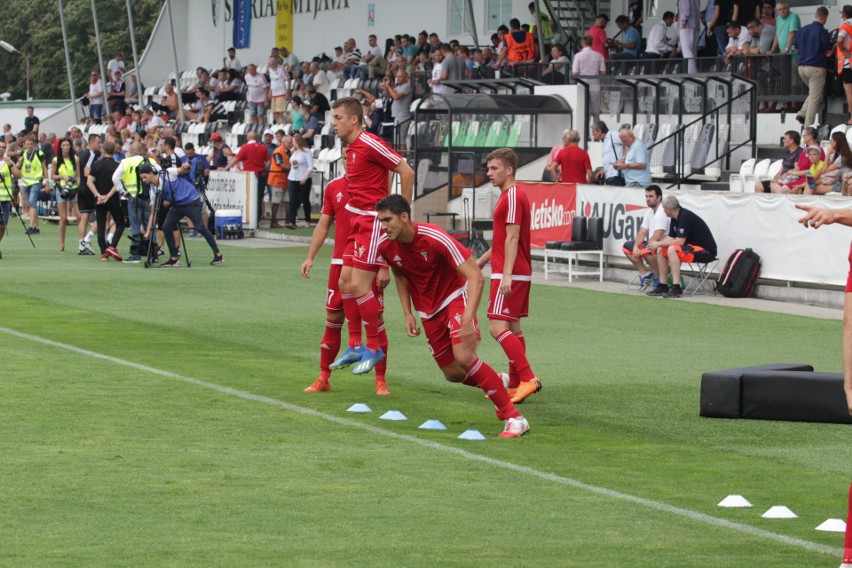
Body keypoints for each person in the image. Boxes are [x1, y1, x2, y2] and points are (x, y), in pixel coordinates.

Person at [376, 194, 530, 437]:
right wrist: (407, 313)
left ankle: (514, 418)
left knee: (464, 356)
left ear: (404, 217)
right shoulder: (386, 246)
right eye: (380, 221)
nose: (383, 226)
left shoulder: (434, 237)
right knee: (453, 374)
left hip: (455, 296)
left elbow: (475, 276)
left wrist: (467, 318)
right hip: (428, 309)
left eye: (387, 220)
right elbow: (401, 275)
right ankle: (496, 382)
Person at [329, 97, 414, 376]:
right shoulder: (351, 149)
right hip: (356, 219)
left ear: (354, 119)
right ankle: (355, 343)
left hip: (372, 221)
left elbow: (406, 170)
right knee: (345, 282)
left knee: (362, 286)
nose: (333, 124)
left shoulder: (371, 143)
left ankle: (374, 347)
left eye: (338, 118)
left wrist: (402, 216)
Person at [301, 146, 391, 396]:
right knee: (332, 320)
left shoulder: (375, 190)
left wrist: (384, 265)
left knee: (377, 320)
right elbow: (323, 225)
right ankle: (323, 378)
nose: (349, 164)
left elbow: (385, 229)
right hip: (340, 262)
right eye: (345, 159)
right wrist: (310, 256)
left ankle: (380, 381)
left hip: (368, 263)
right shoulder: (333, 188)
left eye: (352, 159)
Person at [475, 148, 543, 404]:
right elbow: (503, 240)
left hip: (511, 273)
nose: (489, 173)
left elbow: (513, 237)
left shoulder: (513, 196)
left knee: (496, 326)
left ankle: (528, 378)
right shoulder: (508, 195)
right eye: (488, 169)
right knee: (513, 327)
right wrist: (481, 262)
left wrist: (505, 275)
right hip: (512, 271)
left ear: (509, 169)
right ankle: (515, 383)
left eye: (494, 168)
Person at [137, 162, 223, 267]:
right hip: (177, 205)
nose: (144, 180)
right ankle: (174, 258)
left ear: (151, 173)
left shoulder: (168, 173)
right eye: (142, 179)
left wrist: (187, 165)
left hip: (191, 201)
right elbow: (153, 211)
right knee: (166, 227)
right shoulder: (153, 190)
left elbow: (185, 170)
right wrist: (147, 232)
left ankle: (218, 255)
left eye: (145, 177)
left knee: (200, 227)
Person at [646, 196, 717, 298]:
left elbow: (680, 242)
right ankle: (663, 285)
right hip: (691, 248)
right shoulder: (674, 217)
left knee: (672, 249)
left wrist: (658, 243)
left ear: (669, 210)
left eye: (663, 208)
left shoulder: (685, 216)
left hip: (705, 251)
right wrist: (656, 245)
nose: (663, 210)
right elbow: (670, 239)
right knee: (661, 249)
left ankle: (676, 287)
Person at [622, 185, 670, 289]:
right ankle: (645, 274)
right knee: (627, 247)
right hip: (654, 245)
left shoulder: (662, 211)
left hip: (664, 246)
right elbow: (642, 232)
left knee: (646, 250)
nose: (648, 199)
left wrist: (644, 247)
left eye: (651, 196)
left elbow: (659, 234)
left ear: (659, 198)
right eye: (646, 196)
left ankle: (658, 276)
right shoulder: (649, 212)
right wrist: (636, 246)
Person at [112, 142, 153, 262]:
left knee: (135, 226)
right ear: (141, 150)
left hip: (133, 197)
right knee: (149, 225)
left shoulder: (125, 162)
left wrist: (123, 190)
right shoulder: (149, 161)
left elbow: (115, 178)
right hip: (148, 197)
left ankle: (136, 254)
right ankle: (153, 253)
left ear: (131, 151)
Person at [86, 141, 125, 262]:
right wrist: (107, 196)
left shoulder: (97, 164)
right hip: (112, 198)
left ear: (103, 150)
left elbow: (89, 181)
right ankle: (112, 245)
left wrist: (98, 195)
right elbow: (117, 183)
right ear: (114, 151)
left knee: (100, 225)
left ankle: (103, 252)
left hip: (99, 199)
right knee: (120, 223)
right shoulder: (117, 165)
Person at [793, 6, 831, 127]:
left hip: (801, 68)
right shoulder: (822, 31)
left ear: (816, 15)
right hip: (816, 68)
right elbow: (828, 52)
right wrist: (834, 47)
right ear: (825, 18)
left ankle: (802, 113)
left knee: (814, 93)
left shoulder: (803, 30)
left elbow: (795, 47)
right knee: (815, 98)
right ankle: (807, 127)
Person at [225, 131, 270, 224]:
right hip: (261, 175)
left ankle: (250, 218)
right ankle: (257, 218)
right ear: (256, 138)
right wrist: (263, 168)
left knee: (249, 197)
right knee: (259, 197)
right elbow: (269, 160)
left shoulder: (245, 147)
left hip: (249, 175)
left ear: (247, 138)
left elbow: (236, 159)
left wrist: (226, 168)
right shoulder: (262, 147)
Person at [75, 133, 102, 255]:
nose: (100, 145)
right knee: (102, 214)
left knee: (84, 217)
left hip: (80, 187)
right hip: (87, 187)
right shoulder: (91, 154)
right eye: (98, 142)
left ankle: (81, 245)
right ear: (91, 143)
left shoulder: (81, 154)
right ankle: (87, 240)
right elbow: (87, 173)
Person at [51, 138, 78, 252]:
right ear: (60, 147)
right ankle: (62, 244)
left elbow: (78, 175)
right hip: (61, 189)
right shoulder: (56, 160)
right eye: (64, 145)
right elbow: (52, 175)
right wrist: (62, 176)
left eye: (68, 145)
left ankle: (83, 242)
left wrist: (78, 184)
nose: (66, 147)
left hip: (73, 188)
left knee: (79, 216)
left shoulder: (75, 159)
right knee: (63, 218)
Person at [17, 136, 46, 235]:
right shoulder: (22, 153)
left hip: (36, 181)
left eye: (31, 144)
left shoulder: (39, 153)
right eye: (27, 144)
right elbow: (17, 167)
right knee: (31, 203)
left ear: (34, 144)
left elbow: (44, 168)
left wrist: (46, 181)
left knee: (32, 202)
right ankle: (36, 226)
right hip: (26, 182)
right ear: (24, 144)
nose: (29, 146)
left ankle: (31, 226)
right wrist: (20, 161)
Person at [571, 36, 605, 117]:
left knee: (583, 108)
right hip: (595, 84)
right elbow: (603, 72)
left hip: (582, 84)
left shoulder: (578, 56)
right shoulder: (599, 55)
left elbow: (575, 72)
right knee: (596, 109)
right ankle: (596, 127)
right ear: (591, 43)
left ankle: (584, 127)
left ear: (582, 43)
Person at [0, 140, 23, 259]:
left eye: (3, 147)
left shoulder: (7, 162)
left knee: (3, 225)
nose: (1, 149)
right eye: (0, 147)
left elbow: (19, 175)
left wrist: (10, 165)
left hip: (4, 199)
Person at [286, 133, 313, 229]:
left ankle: (307, 220)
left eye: (293, 142)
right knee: (292, 200)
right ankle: (292, 221)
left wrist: (305, 177)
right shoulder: (294, 152)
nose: (292, 144)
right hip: (293, 177)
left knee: (305, 199)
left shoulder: (306, 151)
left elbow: (310, 166)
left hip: (303, 178)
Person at [267, 132, 292, 228]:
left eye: (291, 143)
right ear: (283, 142)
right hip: (276, 179)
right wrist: (294, 169)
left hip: (286, 180)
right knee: (276, 201)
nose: (291, 145)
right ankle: (273, 221)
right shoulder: (278, 151)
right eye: (289, 143)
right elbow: (281, 165)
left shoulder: (290, 152)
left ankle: (288, 220)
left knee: (288, 200)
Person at [591, 120, 625, 185]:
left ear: (599, 131)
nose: (592, 134)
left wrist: (623, 158)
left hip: (616, 175)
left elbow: (627, 142)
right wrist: (604, 170)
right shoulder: (605, 140)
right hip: (609, 175)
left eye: (593, 131)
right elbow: (610, 158)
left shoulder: (613, 135)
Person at [837, 6, 852, 125]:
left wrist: (842, 49)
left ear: (844, 14)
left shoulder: (846, 25)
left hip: (848, 63)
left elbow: (840, 40)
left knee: (849, 91)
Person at [268, 57, 290, 125]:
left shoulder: (281, 69)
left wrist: (287, 92)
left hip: (281, 93)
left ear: (275, 63)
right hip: (274, 93)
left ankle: (283, 125)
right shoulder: (270, 69)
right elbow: (272, 81)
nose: (270, 66)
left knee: (280, 112)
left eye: (271, 64)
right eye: (269, 65)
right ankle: (278, 125)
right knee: (274, 112)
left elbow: (288, 80)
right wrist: (270, 91)